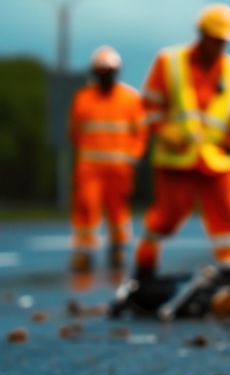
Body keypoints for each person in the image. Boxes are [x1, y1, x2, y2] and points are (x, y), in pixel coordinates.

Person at [133, 3, 230, 289]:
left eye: (223, 41)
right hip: (177, 158)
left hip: (217, 160)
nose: (219, 46)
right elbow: (150, 103)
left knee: (229, 218)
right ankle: (144, 266)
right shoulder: (169, 62)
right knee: (166, 216)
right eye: (214, 39)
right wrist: (164, 131)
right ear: (201, 35)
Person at [69, 46, 146, 272]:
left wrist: (133, 155)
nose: (105, 77)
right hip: (90, 166)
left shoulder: (130, 99)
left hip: (119, 167)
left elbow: (140, 133)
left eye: (109, 72)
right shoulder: (83, 99)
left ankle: (119, 247)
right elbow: (75, 132)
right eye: (101, 72)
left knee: (117, 209)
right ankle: (84, 251)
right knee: (86, 208)